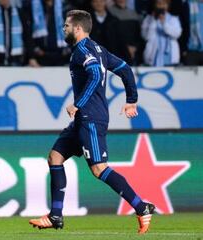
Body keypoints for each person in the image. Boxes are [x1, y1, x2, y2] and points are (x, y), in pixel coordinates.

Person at [28, 10, 155, 234]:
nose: (64, 29)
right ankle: (55, 215)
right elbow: (124, 69)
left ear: (78, 28)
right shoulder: (98, 49)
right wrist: (131, 100)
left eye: (66, 26)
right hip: (82, 119)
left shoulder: (84, 50)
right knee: (55, 157)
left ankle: (141, 207)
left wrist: (78, 104)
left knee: (99, 169)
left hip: (91, 117)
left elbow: (96, 75)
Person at [141, 0, 182, 66]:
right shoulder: (148, 19)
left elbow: (177, 34)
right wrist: (153, 20)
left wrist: (164, 23)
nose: (161, 6)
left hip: (170, 57)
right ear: (155, 5)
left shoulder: (173, 19)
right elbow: (146, 37)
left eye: (164, 4)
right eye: (159, 4)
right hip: (153, 57)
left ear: (168, 5)